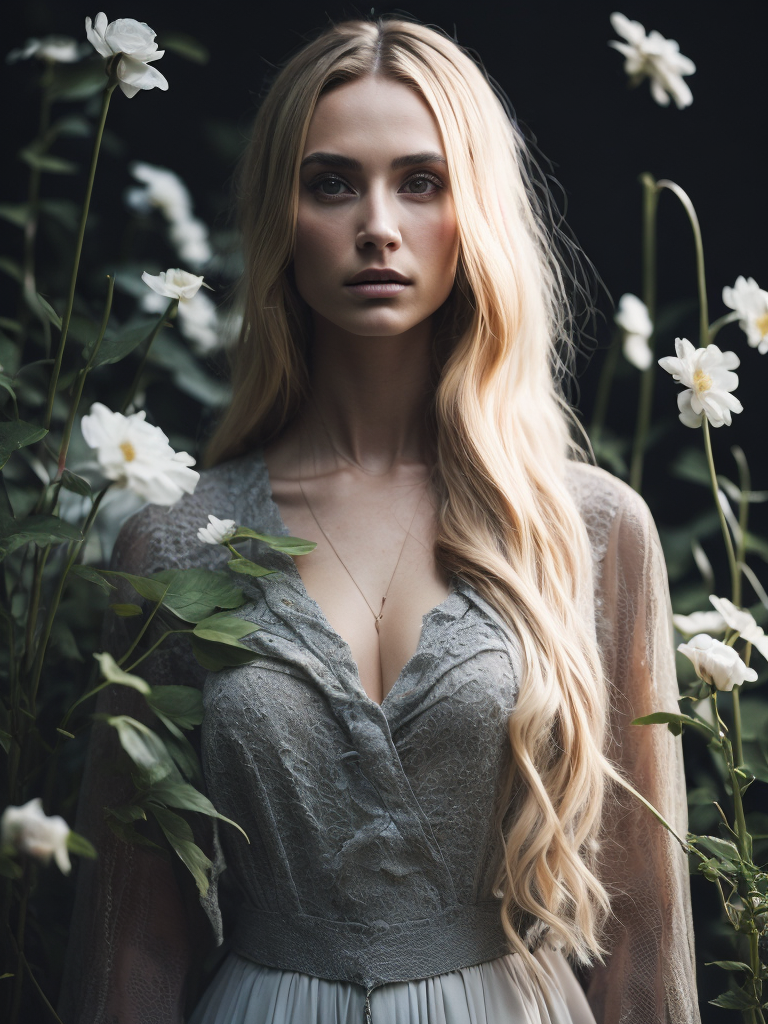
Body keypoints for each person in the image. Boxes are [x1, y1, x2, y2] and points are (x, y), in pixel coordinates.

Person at [60, 17, 700, 1024]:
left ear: (475, 210)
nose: (377, 226)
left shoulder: (587, 529)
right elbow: (135, 930)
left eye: (421, 182)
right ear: (280, 216)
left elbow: (642, 934)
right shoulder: (176, 541)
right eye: (330, 183)